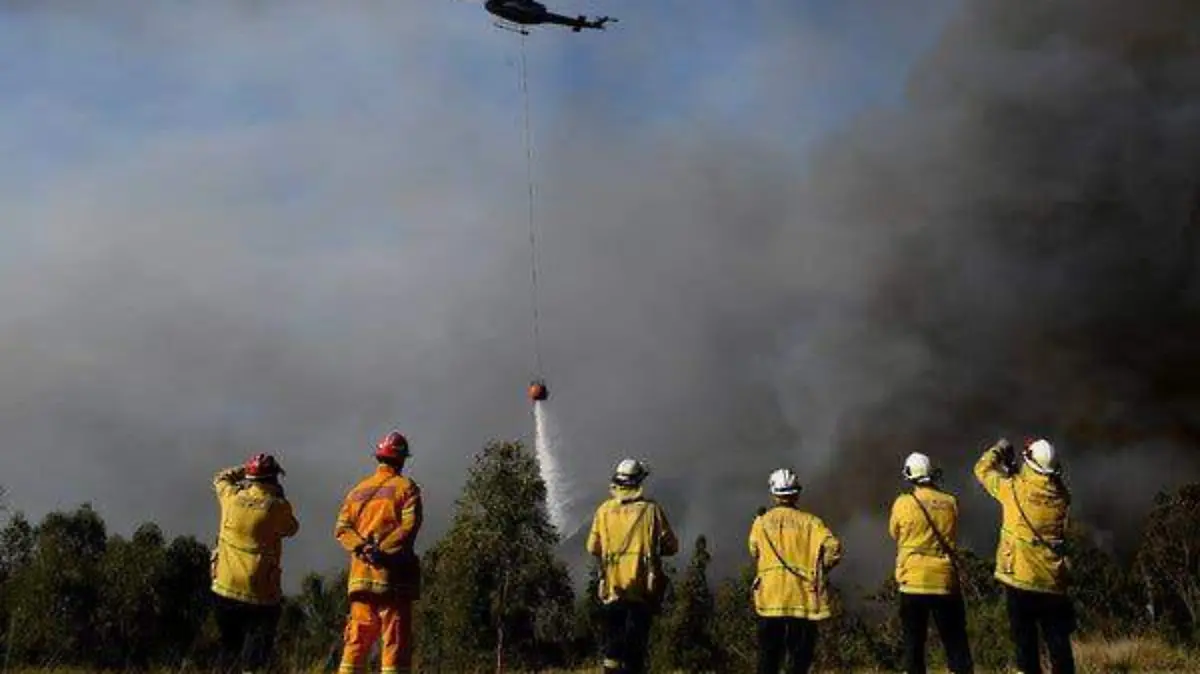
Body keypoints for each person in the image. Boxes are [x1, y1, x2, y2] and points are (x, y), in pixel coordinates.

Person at [975, 438, 1075, 674]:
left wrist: (998, 450)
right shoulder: (1062, 497)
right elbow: (1046, 487)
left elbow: (982, 469)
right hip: (1052, 579)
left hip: (1020, 577)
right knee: (1058, 642)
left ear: (1030, 463)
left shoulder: (1012, 489)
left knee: (1025, 643)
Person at [334, 430, 424, 674]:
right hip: (393, 580)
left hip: (360, 579)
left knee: (355, 643)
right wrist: (381, 552)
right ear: (402, 459)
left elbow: (341, 529)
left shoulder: (357, 491)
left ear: (379, 458)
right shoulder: (406, 488)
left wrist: (362, 548)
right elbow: (409, 527)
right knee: (395, 643)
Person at [587, 459, 679, 674]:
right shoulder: (651, 511)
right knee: (636, 649)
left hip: (613, 589)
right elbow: (672, 546)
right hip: (642, 590)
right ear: (639, 482)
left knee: (612, 647)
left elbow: (592, 547)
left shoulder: (603, 511)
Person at [210, 453, 300, 674]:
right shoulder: (276, 506)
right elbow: (291, 528)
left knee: (228, 648)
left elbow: (220, 478)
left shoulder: (230, 497)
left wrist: (246, 470)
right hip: (260, 592)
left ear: (251, 478)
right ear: (274, 479)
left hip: (224, 587)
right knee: (255, 655)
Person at [749, 468, 842, 674]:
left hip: (770, 598)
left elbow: (754, 550)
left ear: (773, 493)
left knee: (768, 655)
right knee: (800, 657)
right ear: (797, 493)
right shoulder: (811, 522)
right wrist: (821, 568)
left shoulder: (761, 522)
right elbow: (833, 548)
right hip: (801, 598)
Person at [889, 452, 974, 674]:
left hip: (912, 582)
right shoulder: (950, 502)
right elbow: (953, 533)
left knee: (914, 645)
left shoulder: (902, 503)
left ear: (909, 475)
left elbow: (894, 533)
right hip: (944, 581)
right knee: (955, 642)